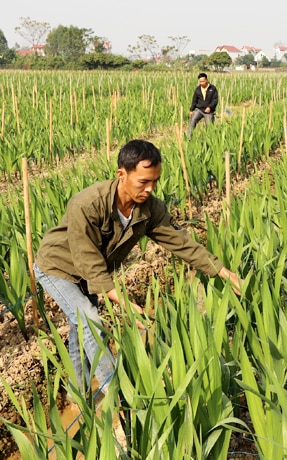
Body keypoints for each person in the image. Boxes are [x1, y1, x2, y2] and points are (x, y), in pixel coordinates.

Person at [34, 139, 242, 398]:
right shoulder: (87, 204)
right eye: (143, 181)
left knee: (80, 328)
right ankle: (118, 394)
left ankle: (79, 394)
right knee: (88, 318)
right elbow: (89, 262)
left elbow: (181, 243)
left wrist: (224, 272)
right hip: (58, 266)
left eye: (155, 181)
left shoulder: (150, 208)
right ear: (122, 174)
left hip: (91, 270)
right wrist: (125, 303)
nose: (149, 188)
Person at [187, 72, 218, 138]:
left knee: (209, 127)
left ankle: (209, 139)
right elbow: (194, 100)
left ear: (206, 80)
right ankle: (189, 138)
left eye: (203, 81)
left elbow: (215, 100)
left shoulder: (213, 88)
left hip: (209, 111)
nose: (202, 83)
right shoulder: (197, 89)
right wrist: (191, 110)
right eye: (200, 81)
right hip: (199, 109)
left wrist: (210, 107)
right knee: (193, 120)